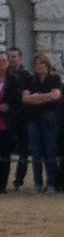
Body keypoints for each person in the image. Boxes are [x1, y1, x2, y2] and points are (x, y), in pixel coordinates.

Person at [22, 51, 63, 192]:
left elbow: (56, 95)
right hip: (33, 119)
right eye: (36, 64)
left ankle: (51, 183)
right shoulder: (30, 80)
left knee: (50, 152)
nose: (39, 66)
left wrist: (37, 96)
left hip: (49, 120)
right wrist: (44, 97)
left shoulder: (54, 78)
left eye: (41, 63)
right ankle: (38, 183)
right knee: (36, 153)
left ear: (47, 64)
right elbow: (25, 98)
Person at [6, 46, 31, 190]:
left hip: (23, 118)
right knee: (5, 151)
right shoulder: (5, 75)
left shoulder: (27, 76)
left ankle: (18, 181)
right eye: (9, 57)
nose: (11, 60)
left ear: (20, 58)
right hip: (8, 118)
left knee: (23, 152)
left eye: (14, 57)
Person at [0, 51, 13, 192]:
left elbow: (15, 101)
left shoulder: (13, 80)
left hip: (6, 122)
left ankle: (2, 184)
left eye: (4, 61)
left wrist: (7, 107)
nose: (1, 64)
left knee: (4, 155)